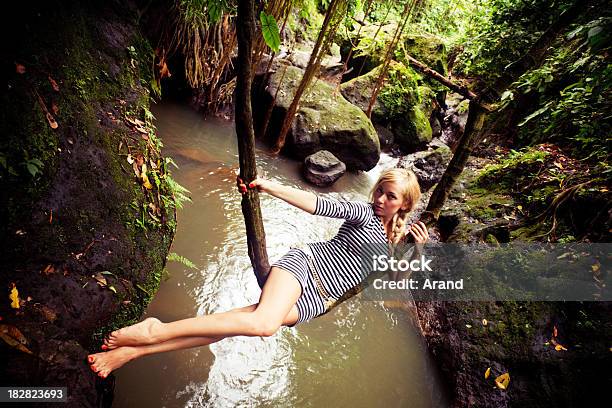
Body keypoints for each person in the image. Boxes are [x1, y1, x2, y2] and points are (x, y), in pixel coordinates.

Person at [87, 168, 429, 378]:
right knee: (263, 325)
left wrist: (415, 253)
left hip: (316, 302)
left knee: (229, 329)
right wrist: (268, 186)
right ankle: (154, 331)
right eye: (380, 191)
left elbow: (393, 282)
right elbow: (318, 204)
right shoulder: (362, 212)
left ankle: (133, 352)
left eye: (391, 196)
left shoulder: (398, 240)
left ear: (405, 205)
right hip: (305, 269)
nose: (382, 199)